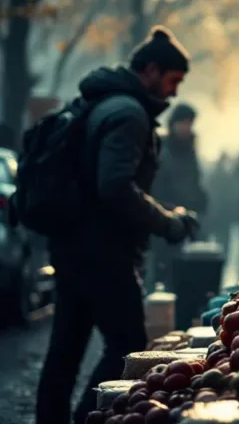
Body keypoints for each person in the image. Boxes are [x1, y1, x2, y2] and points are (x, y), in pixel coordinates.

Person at [36, 27, 200, 424]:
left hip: (73, 244)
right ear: (151, 70)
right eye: (173, 81)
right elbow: (114, 186)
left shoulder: (101, 104)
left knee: (65, 350)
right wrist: (169, 223)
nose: (174, 92)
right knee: (126, 344)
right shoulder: (128, 113)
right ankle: (87, 419)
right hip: (103, 250)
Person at [149, 103, 208, 289]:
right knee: (163, 269)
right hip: (163, 216)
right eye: (182, 122)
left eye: (189, 123)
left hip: (187, 218)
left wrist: (200, 199)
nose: (186, 127)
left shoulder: (190, 149)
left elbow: (194, 180)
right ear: (173, 123)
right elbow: (156, 184)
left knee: (185, 272)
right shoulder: (161, 147)